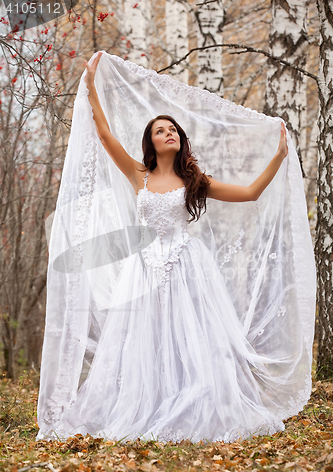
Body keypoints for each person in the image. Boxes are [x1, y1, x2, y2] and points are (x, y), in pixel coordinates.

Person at [37, 51, 315, 443]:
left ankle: (195, 402)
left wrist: (279, 157)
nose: (168, 133)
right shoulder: (140, 175)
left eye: (173, 130)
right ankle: (145, 405)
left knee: (191, 338)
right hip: (144, 268)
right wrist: (91, 88)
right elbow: (104, 134)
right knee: (145, 340)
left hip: (186, 266)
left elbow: (251, 193)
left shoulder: (194, 181)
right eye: (159, 130)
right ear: (151, 143)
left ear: (181, 140)